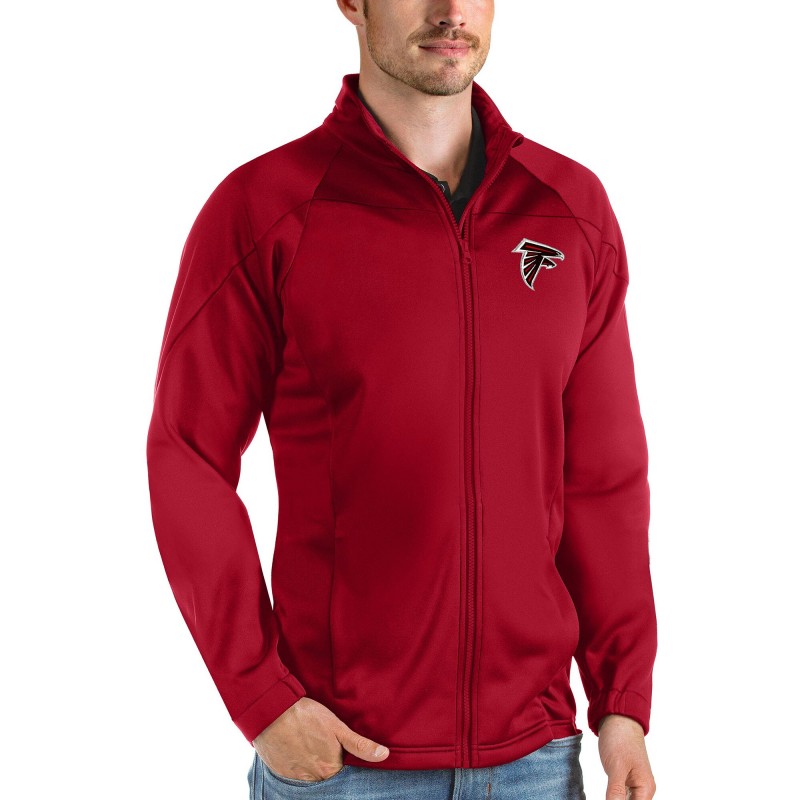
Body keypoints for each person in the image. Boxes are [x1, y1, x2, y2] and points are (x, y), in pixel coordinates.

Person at [145, 1, 658, 798]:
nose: (451, 12)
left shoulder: (569, 209)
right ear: (352, 2)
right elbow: (187, 455)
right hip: (345, 759)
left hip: (536, 759)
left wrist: (622, 702)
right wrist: (262, 699)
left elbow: (603, 476)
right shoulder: (270, 208)